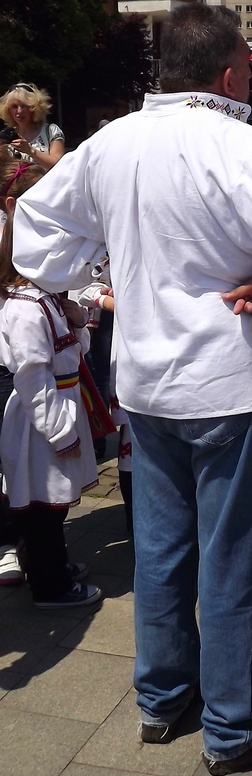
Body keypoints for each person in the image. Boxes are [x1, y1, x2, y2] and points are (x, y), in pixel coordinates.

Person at [12, 4, 252, 774]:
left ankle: (162, 698)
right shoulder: (244, 146)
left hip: (149, 384)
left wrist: (101, 274)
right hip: (233, 380)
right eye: (247, 68)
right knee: (239, 557)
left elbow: (34, 230)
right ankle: (235, 724)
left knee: (161, 548)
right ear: (229, 74)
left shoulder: (112, 143)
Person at [0, 148, 101, 608]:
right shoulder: (25, 309)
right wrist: (61, 433)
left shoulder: (47, 300)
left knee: (52, 503)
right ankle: (49, 583)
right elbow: (33, 380)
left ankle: (50, 565)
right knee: (42, 504)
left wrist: (77, 322)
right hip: (41, 422)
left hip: (59, 408)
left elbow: (73, 354)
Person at [0, 84, 65, 171]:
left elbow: (59, 166)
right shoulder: (5, 136)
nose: (19, 111)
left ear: (34, 108)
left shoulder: (50, 131)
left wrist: (30, 150)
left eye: (24, 106)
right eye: (14, 106)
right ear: (8, 110)